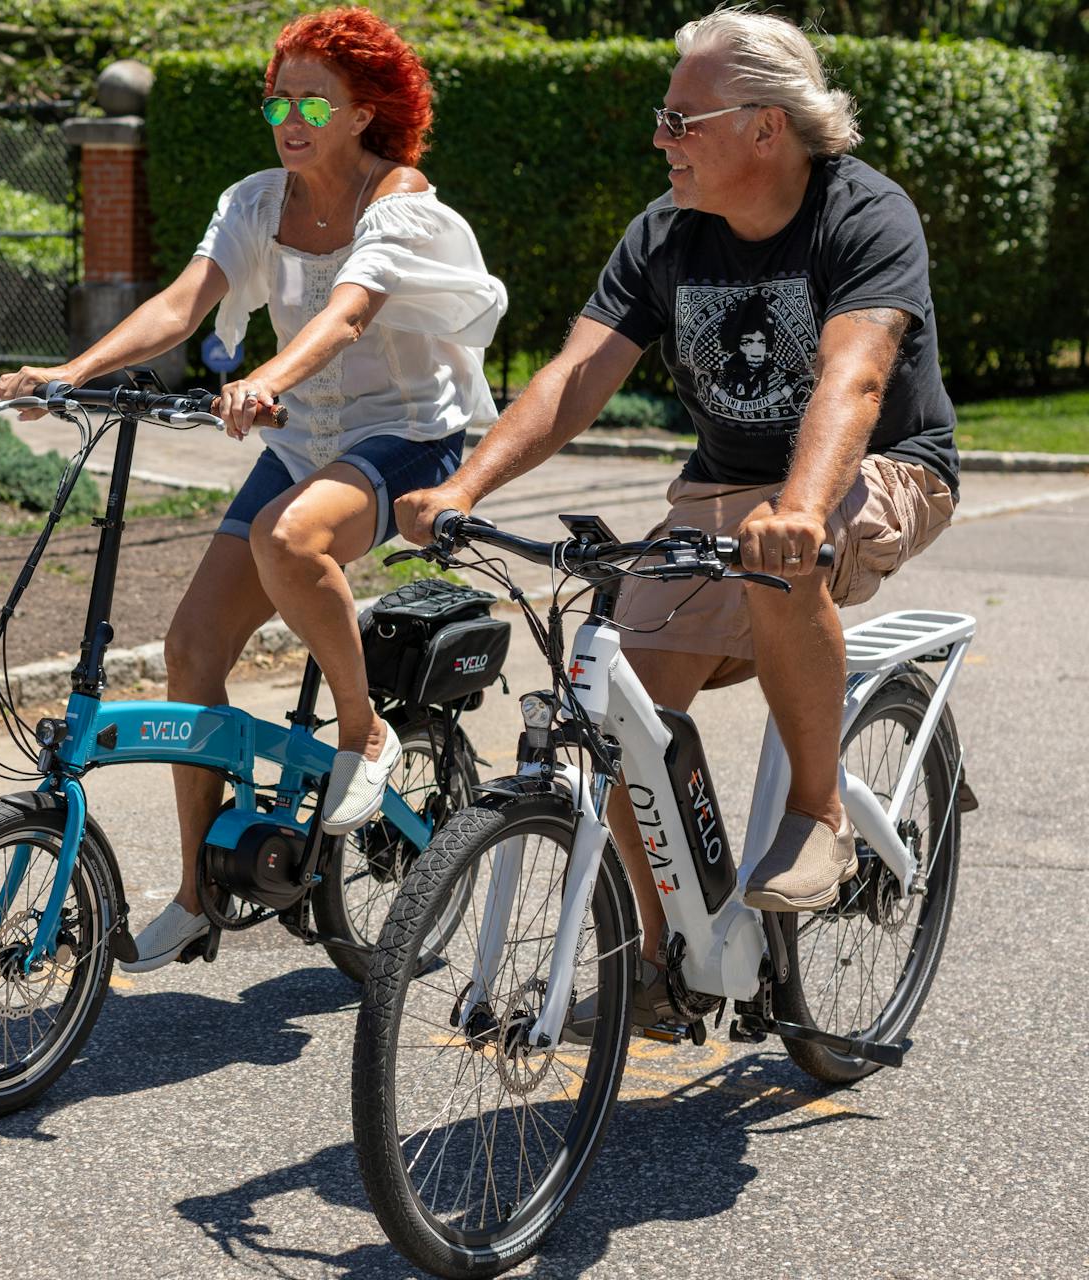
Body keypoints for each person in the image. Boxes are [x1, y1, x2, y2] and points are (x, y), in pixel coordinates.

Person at [396, 8, 958, 1025]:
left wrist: (799, 506)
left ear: (764, 129)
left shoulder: (861, 214)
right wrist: (464, 487)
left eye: (679, 118)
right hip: (727, 484)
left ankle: (819, 806)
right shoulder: (665, 233)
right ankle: (663, 960)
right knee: (627, 702)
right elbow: (574, 378)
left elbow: (856, 376)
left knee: (789, 556)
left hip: (878, 469)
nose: (661, 138)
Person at [0, 7, 507, 973]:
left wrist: (269, 378)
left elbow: (350, 316)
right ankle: (195, 895)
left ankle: (365, 736)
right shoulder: (257, 199)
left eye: (317, 98)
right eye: (280, 97)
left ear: (365, 113)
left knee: (290, 541)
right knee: (191, 650)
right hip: (306, 439)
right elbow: (186, 301)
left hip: (407, 436)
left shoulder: (403, 206)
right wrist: (73, 375)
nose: (292, 115)